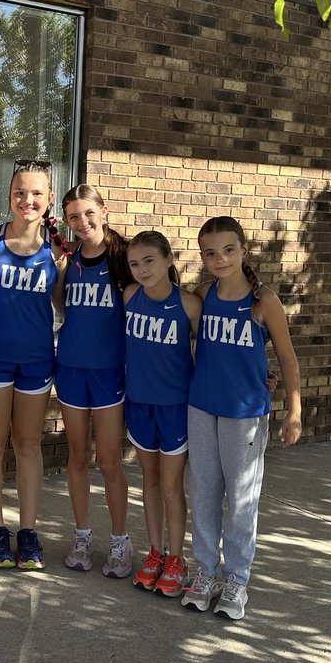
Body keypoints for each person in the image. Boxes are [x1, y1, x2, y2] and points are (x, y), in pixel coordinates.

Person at [182, 216, 301, 621]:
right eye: (210, 253)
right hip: (201, 406)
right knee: (203, 492)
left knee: (241, 500)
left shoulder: (263, 300)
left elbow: (286, 358)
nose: (220, 259)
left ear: (243, 250)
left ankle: (236, 578)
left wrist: (295, 411)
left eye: (228, 250)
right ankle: (204, 572)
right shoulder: (202, 294)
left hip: (245, 414)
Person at [0, 159, 62, 570]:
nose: (28, 200)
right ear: (9, 195)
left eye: (36, 193)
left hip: (37, 359)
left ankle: (27, 531)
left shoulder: (57, 250)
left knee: (27, 445)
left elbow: (63, 305)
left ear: (48, 199)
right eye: (20, 192)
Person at [54, 184, 135, 577]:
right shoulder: (68, 260)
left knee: (108, 461)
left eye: (88, 213)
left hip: (108, 372)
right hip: (70, 369)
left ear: (104, 211)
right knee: (77, 457)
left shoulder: (124, 258)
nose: (82, 222)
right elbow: (59, 303)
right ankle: (83, 535)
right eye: (73, 216)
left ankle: (120, 540)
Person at [123, 231, 201, 599]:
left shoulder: (188, 304)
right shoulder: (128, 297)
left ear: (169, 259)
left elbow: (212, 353)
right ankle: (154, 552)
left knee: (171, 485)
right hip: (139, 403)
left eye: (149, 261)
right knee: (149, 481)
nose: (141, 269)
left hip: (174, 406)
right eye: (134, 263)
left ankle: (176, 557)